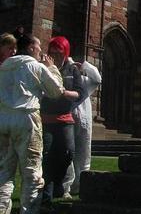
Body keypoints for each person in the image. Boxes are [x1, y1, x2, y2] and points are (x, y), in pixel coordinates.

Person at [0, 34, 64, 214]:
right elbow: (57, 91)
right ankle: (29, 211)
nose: (41, 51)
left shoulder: (4, 66)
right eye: (38, 47)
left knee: (4, 172)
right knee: (32, 173)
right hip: (27, 119)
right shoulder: (35, 66)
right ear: (30, 48)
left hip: (3, 119)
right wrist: (52, 68)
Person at [40, 36, 87, 204]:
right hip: (46, 119)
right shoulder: (43, 68)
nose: (56, 56)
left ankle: (58, 182)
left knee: (68, 153)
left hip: (65, 118)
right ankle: (46, 197)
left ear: (66, 53)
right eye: (53, 53)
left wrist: (64, 93)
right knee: (47, 157)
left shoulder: (72, 69)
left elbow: (80, 93)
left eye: (59, 53)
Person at [62, 58, 101, 196]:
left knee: (84, 154)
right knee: (69, 153)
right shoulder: (64, 80)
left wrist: (85, 65)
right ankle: (66, 187)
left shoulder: (85, 82)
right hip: (69, 120)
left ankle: (81, 185)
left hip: (84, 122)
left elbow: (97, 79)